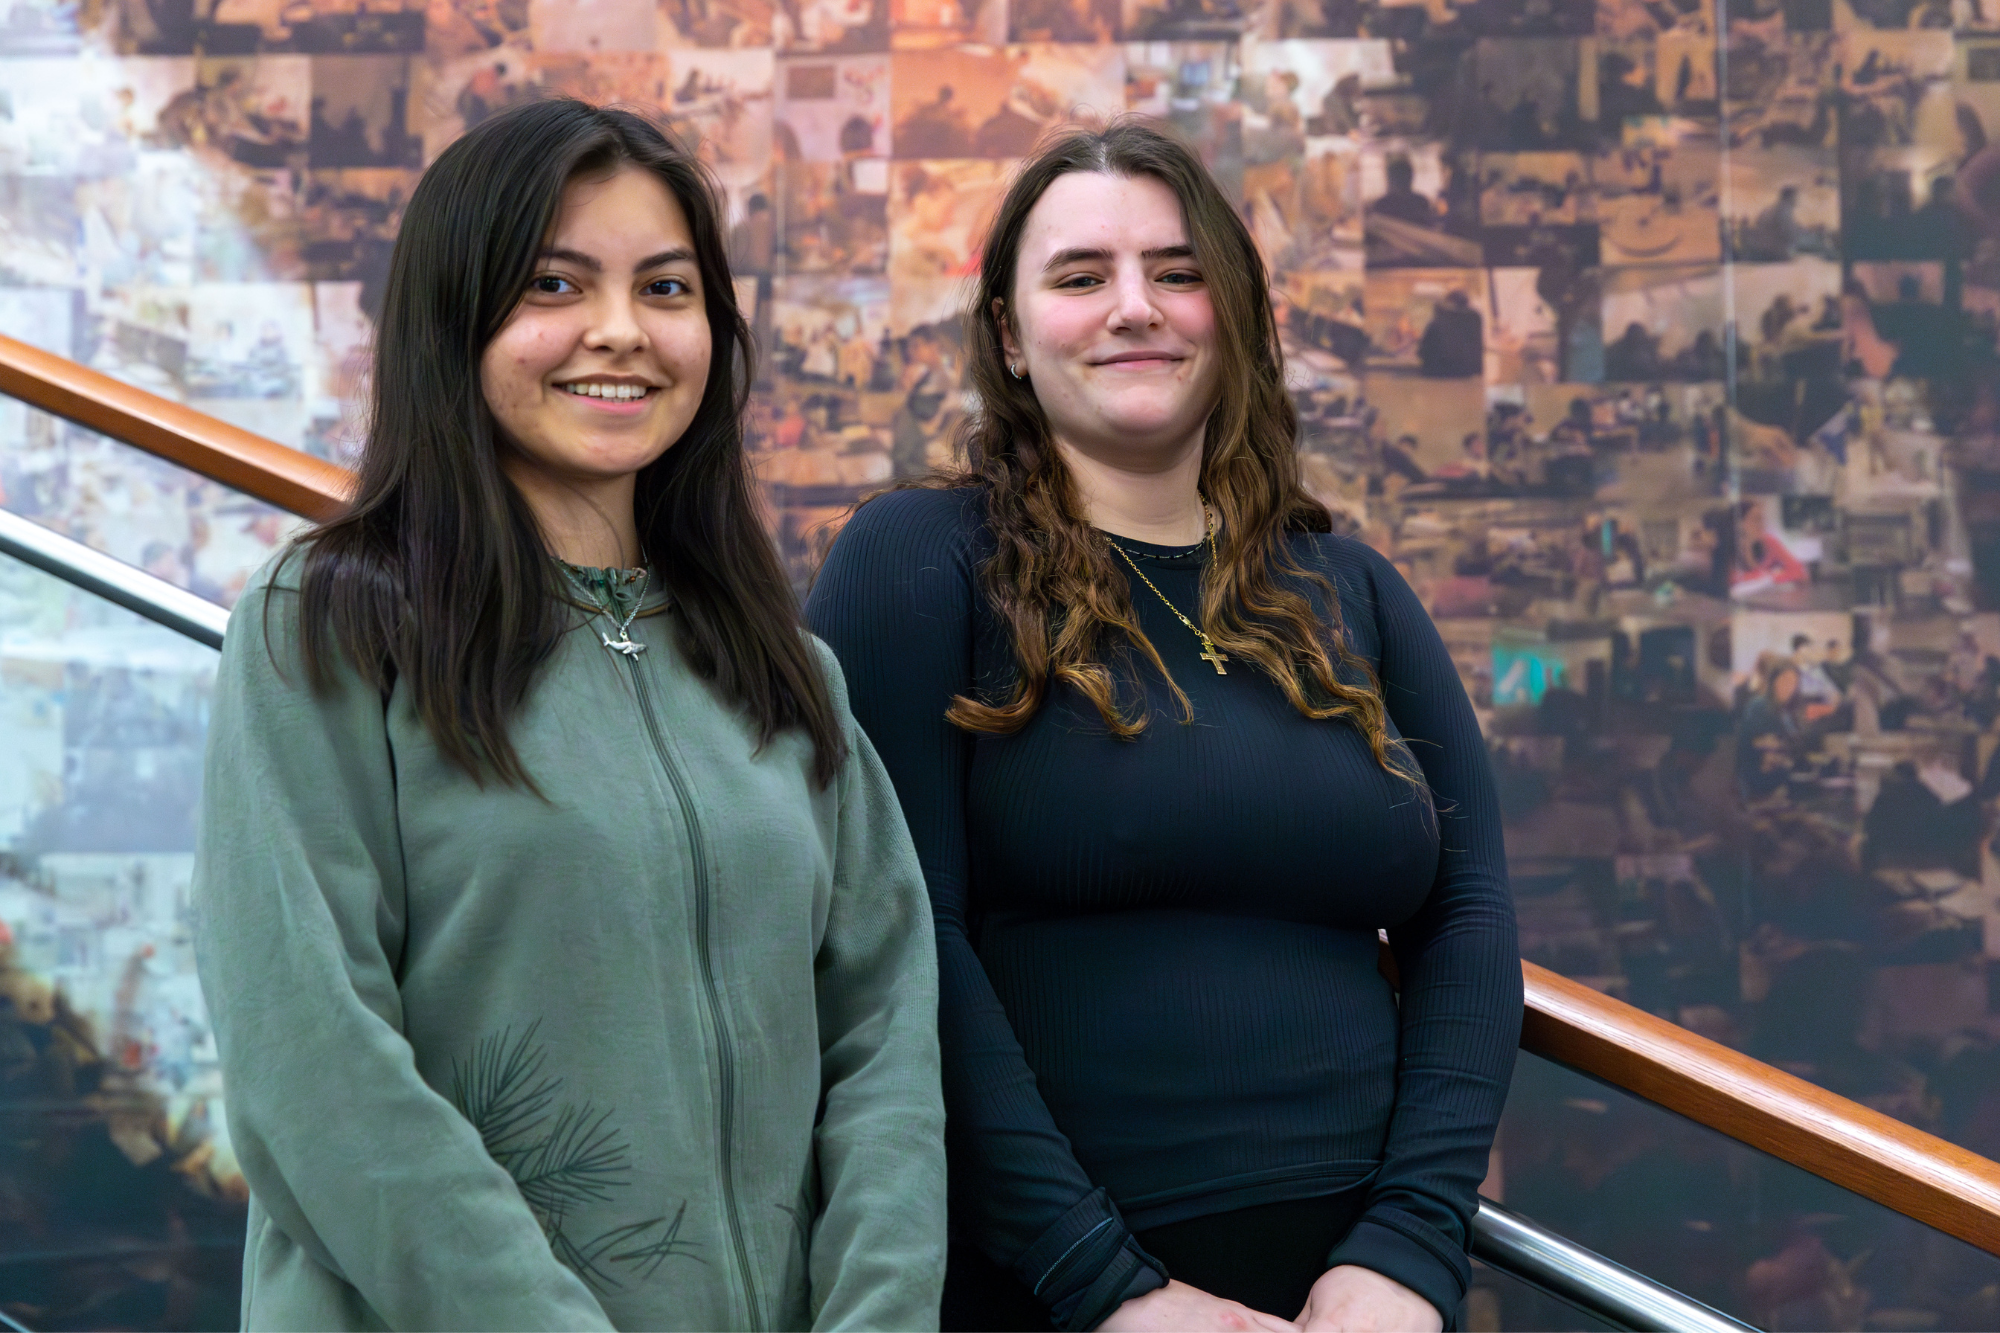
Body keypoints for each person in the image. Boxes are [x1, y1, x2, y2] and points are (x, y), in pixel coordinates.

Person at [191, 98, 945, 1332]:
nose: (619, 332)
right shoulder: (326, 627)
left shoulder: (784, 668)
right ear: (456, 317)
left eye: (665, 288)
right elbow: (309, 1058)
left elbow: (885, 1044)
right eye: (553, 283)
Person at [806, 119, 1518, 1333]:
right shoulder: (916, 564)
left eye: (1176, 273)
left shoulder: (1347, 587)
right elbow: (891, 938)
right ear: (1007, 337)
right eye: (1080, 277)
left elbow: (1467, 911)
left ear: (1230, 316)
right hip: (1049, 1286)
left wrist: (1410, 1242)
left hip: (1364, 1295)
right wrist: (1102, 1284)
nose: (1134, 307)